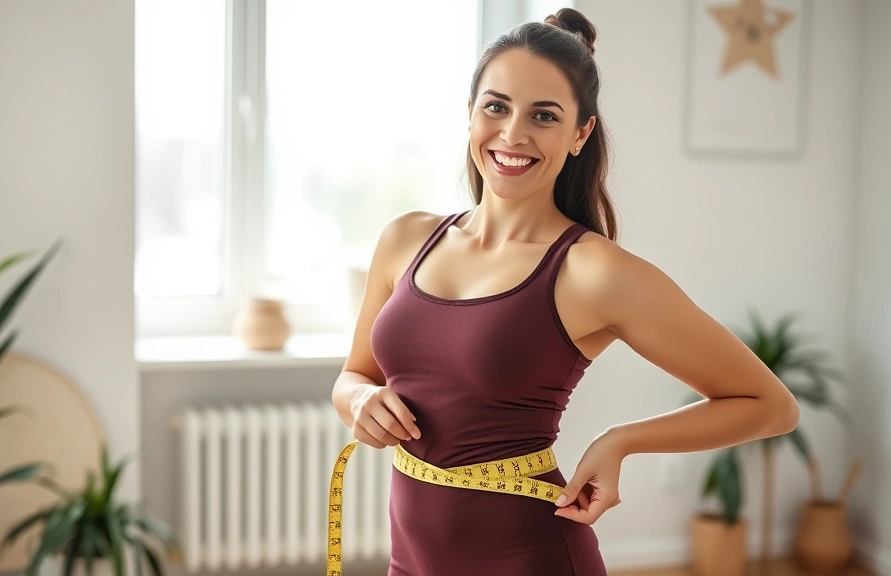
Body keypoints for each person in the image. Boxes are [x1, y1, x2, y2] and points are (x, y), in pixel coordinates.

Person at [330, 8, 800, 576]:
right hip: (409, 562)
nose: (513, 134)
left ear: (581, 133)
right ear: (470, 112)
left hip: (531, 560)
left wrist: (622, 440)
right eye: (496, 106)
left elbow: (771, 405)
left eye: (544, 116)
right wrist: (360, 400)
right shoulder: (405, 239)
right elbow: (353, 376)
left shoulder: (592, 272)